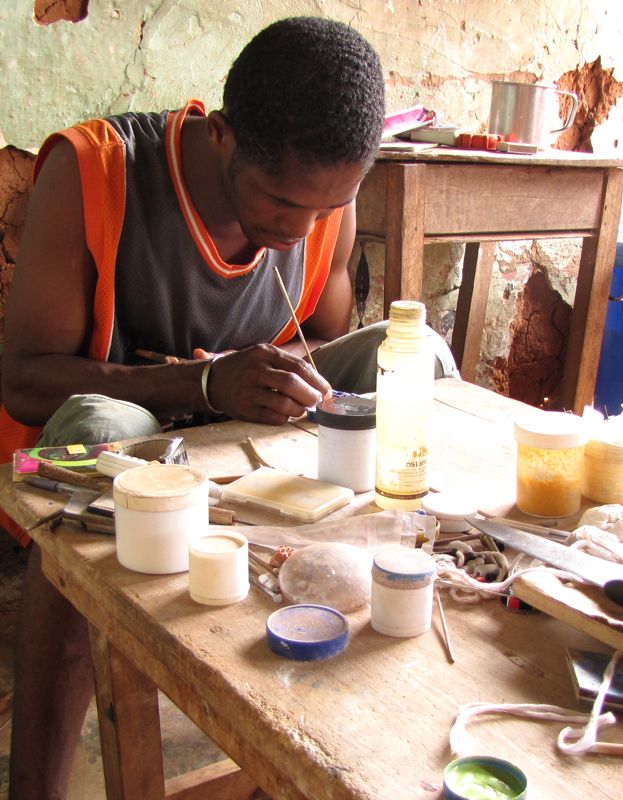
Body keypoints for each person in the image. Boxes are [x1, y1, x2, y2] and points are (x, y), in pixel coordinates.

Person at [1, 17, 457, 798]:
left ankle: (346, 694)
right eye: (280, 201)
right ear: (221, 137)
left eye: (329, 206)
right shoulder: (95, 171)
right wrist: (205, 385)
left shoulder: (320, 200)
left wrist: (277, 382)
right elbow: (23, 380)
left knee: (418, 359)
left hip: (237, 416)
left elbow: (320, 348)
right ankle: (34, 785)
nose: (299, 231)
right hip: (129, 428)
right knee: (102, 433)